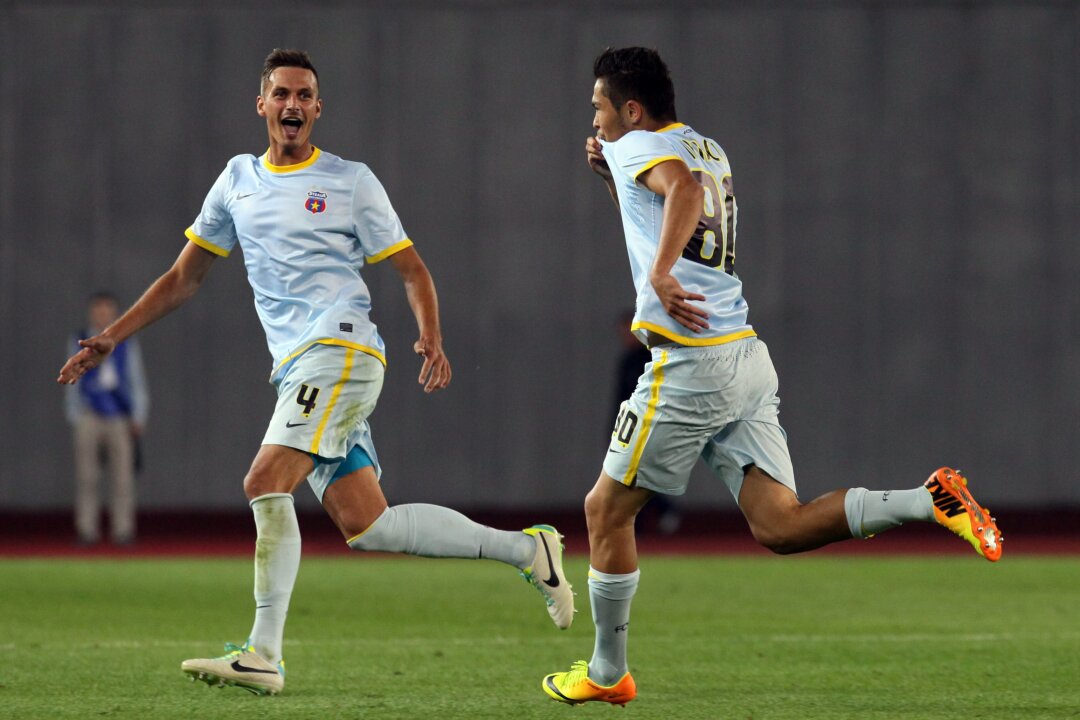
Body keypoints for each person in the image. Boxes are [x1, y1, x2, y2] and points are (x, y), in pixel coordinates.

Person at [58, 48, 573, 697]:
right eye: (281, 94)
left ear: (318, 108)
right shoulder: (237, 179)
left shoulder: (350, 181)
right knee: (369, 525)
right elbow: (184, 277)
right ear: (262, 104)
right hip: (300, 365)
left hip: (341, 350)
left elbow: (411, 268)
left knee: (264, 479)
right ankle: (529, 550)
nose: (292, 104)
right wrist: (113, 336)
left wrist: (431, 336)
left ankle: (263, 653)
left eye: (304, 95)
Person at [541, 46, 1003, 707]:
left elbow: (681, 192)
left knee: (604, 512)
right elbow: (668, 205)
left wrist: (660, 274)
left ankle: (608, 675)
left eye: (599, 106)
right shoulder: (706, 146)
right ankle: (928, 499)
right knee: (780, 526)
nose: (594, 118)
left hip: (691, 362)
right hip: (744, 358)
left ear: (632, 110)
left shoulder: (640, 147)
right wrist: (612, 179)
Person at [64, 291, 149, 545]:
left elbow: (135, 379)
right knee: (87, 476)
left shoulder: (126, 341)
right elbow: (70, 377)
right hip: (89, 412)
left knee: (122, 476)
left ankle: (123, 530)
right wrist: (75, 413)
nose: (102, 314)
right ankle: (86, 529)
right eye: (98, 310)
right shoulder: (80, 340)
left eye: (107, 310)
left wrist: (138, 414)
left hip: (118, 413)